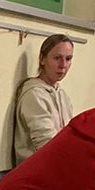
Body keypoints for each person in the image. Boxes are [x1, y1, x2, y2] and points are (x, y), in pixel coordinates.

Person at [14, 34, 75, 164]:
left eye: (68, 59)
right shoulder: (34, 94)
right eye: (57, 58)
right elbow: (46, 142)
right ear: (42, 59)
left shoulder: (62, 95)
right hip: (37, 169)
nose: (63, 65)